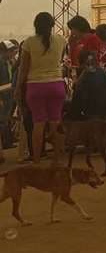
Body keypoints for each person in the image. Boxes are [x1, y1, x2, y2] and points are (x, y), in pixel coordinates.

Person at [14, 12, 67, 164]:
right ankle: (57, 160)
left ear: (35, 25)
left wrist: (18, 87)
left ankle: (36, 160)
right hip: (56, 84)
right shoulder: (61, 40)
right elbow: (60, 60)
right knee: (56, 122)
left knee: (38, 124)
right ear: (52, 25)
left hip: (35, 86)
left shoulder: (28, 42)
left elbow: (23, 68)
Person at [69, 50, 106, 123]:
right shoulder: (103, 73)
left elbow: (77, 99)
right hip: (105, 114)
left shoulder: (84, 77)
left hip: (90, 115)